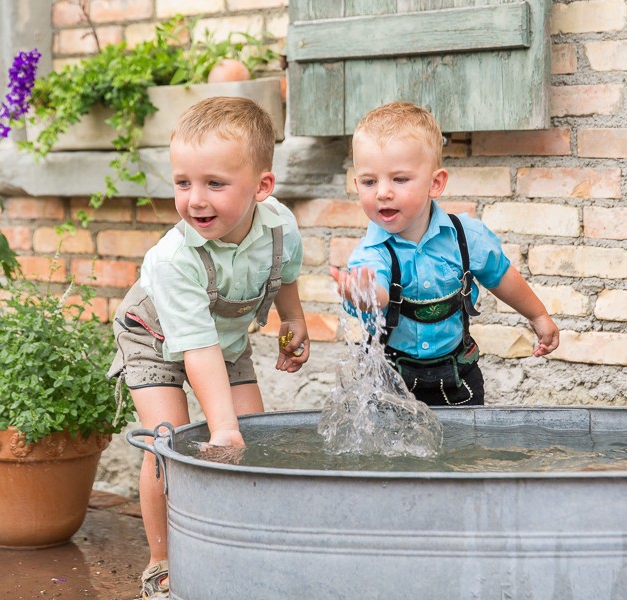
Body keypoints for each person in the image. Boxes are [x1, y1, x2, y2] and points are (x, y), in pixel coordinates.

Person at [107, 96, 310, 599]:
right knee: (168, 442)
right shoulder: (175, 259)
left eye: (215, 184)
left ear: (262, 187)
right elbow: (195, 351)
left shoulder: (280, 226)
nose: (195, 200)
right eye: (183, 183)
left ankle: (238, 546)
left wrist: (295, 319)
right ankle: (161, 560)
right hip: (152, 335)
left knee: (253, 438)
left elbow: (282, 273)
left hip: (224, 335)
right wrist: (221, 429)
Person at [331, 100, 559, 406]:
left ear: (435, 183)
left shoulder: (466, 238)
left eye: (399, 179)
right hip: (392, 384)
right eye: (370, 182)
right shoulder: (372, 253)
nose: (383, 192)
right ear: (356, 184)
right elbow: (379, 289)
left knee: (463, 449)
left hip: (459, 377)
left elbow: (501, 275)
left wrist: (538, 315)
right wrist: (364, 294)